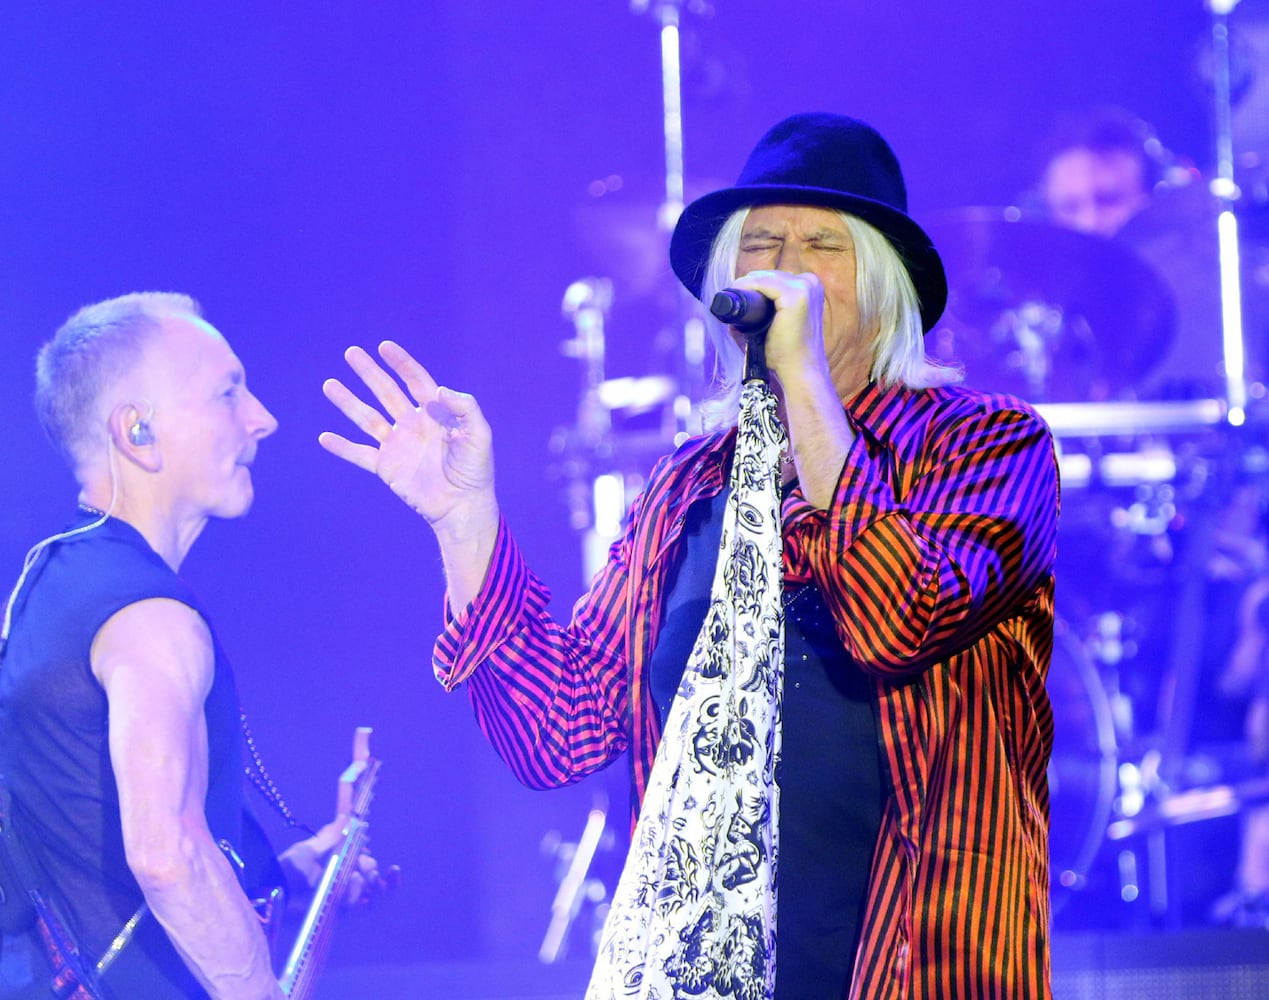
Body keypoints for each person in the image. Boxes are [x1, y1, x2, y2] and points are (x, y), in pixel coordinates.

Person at [321, 113, 1059, 998]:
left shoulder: (985, 444)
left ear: (882, 284)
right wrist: (464, 519)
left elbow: (897, 620)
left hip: (919, 967)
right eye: (760, 245)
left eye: (820, 244)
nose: (783, 266)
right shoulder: (687, 485)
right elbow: (556, 736)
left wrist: (804, 386)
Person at [0, 293, 374, 999]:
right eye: (227, 393)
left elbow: (83, 845)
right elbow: (167, 856)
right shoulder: (148, 617)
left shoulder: (50, 585)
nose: (261, 418)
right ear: (137, 431)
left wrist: (289, 873)